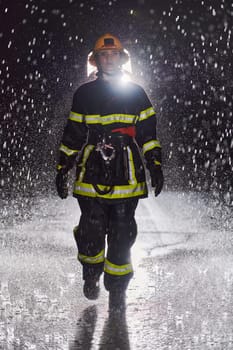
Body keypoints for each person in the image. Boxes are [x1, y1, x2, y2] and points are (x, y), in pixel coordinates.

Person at [55, 33, 164, 310]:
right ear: (97, 61)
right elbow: (74, 133)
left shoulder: (136, 94)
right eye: (104, 55)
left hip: (127, 169)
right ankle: (91, 275)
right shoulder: (84, 94)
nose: (109, 59)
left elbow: (148, 134)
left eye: (114, 54)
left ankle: (117, 290)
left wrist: (155, 164)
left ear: (122, 59)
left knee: (123, 233)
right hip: (91, 170)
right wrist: (62, 167)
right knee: (91, 231)